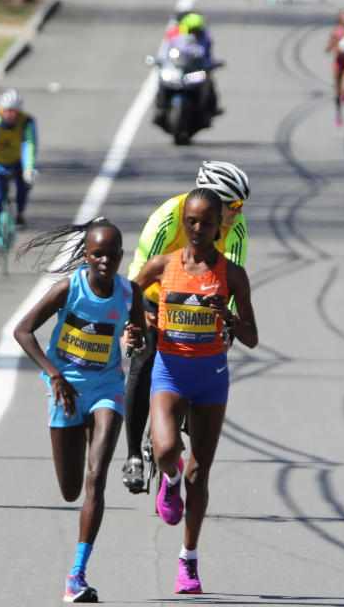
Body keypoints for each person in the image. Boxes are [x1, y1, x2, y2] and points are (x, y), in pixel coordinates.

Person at [13, 218, 147, 603]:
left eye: (112, 254)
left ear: (121, 256)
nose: (105, 260)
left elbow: (141, 345)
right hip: (67, 391)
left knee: (96, 476)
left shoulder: (129, 293)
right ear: (86, 255)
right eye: (97, 253)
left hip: (107, 389)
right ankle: (82, 430)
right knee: (71, 489)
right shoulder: (67, 289)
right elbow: (23, 331)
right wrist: (55, 375)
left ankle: (76, 574)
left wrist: (136, 340)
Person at [132, 187, 258, 595]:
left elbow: (253, 337)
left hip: (211, 378)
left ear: (220, 224)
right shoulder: (162, 264)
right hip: (169, 372)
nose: (199, 228)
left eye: (207, 222)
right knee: (168, 451)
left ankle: (188, 559)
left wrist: (230, 319)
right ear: (183, 222)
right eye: (192, 221)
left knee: (199, 474)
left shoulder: (231, 274)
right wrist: (136, 325)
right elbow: (128, 295)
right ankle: (167, 480)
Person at [121, 161, 249, 494]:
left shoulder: (237, 229)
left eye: (241, 206)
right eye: (233, 206)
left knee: (208, 361)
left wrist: (228, 330)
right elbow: (140, 270)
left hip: (203, 305)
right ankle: (134, 453)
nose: (239, 212)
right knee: (143, 360)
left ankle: (179, 429)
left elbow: (234, 281)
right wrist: (137, 316)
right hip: (156, 297)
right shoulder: (168, 216)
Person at [0, 88, 39, 263]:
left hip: (18, 164)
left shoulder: (27, 122)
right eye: (7, 111)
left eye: (15, 112)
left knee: (23, 188)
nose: (11, 115)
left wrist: (29, 168)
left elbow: (29, 144)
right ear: (1, 110)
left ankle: (20, 213)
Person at [153, 12, 221, 124]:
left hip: (195, 72)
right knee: (162, 80)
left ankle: (210, 109)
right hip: (178, 71)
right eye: (192, 30)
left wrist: (209, 64)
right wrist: (162, 62)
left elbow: (208, 56)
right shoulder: (176, 39)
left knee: (208, 81)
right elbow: (166, 54)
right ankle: (161, 108)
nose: (195, 33)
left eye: (197, 30)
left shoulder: (205, 40)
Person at [325, 7, 344, 127]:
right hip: (338, 61)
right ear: (340, 18)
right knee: (337, 91)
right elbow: (327, 49)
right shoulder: (335, 31)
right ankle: (338, 115)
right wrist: (332, 44)